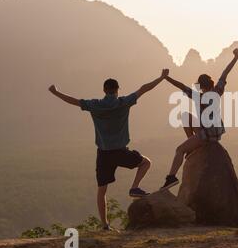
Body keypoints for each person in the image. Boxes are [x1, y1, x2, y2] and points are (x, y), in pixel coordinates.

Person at [48, 69, 168, 231]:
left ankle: (105, 225)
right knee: (145, 163)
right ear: (118, 90)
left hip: (103, 153)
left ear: (104, 90)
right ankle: (134, 188)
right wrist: (161, 77)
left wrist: (55, 92)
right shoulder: (123, 102)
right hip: (120, 151)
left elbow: (73, 101)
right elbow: (144, 88)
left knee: (102, 191)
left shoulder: (95, 105)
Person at [160, 49, 238, 190]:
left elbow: (181, 86)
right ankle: (193, 145)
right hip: (216, 131)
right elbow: (225, 73)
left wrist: (166, 78)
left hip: (207, 133)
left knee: (179, 150)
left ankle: (171, 177)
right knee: (186, 115)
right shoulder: (217, 92)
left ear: (201, 86)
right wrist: (236, 58)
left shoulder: (199, 97)